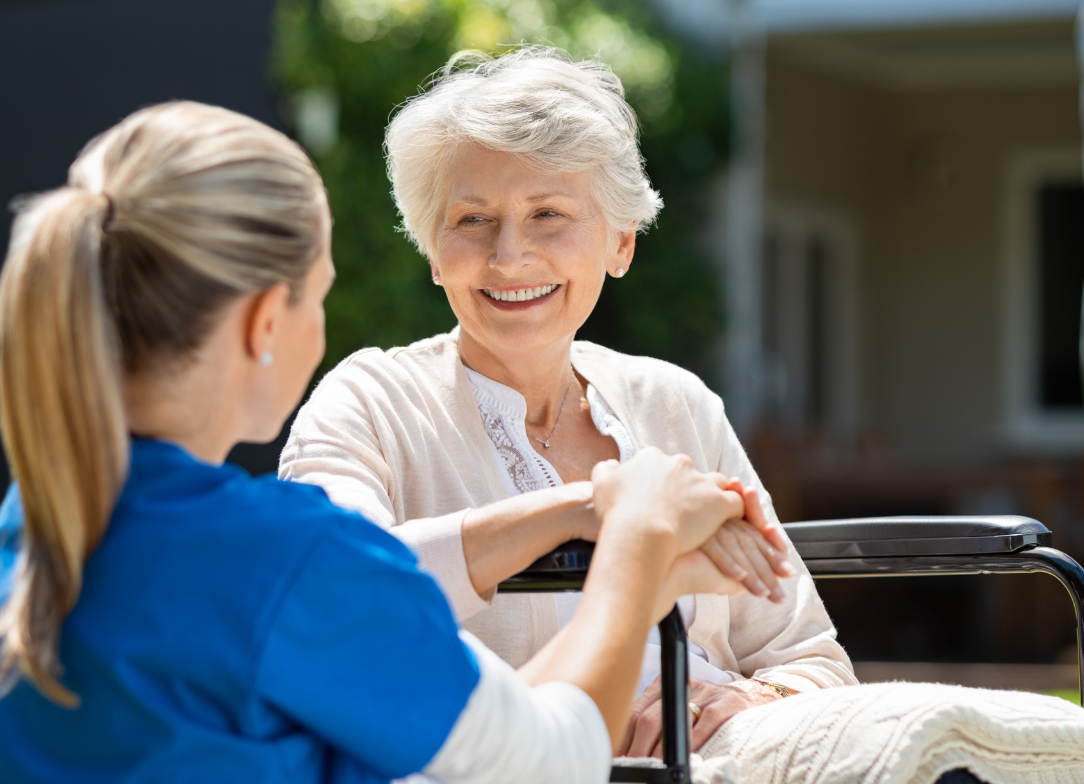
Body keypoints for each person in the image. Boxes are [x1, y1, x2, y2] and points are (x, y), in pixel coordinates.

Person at [0, 101, 764, 783]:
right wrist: (637, 543)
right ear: (267, 322)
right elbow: (554, 761)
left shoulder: (38, 518)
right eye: (323, 294)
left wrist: (575, 515)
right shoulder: (288, 561)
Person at [279, 46, 856, 758]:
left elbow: (811, 659)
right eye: (471, 220)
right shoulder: (367, 402)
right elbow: (335, 596)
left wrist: (745, 698)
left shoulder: (676, 405)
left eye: (548, 214)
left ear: (620, 242)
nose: (509, 256)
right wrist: (591, 509)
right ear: (433, 251)